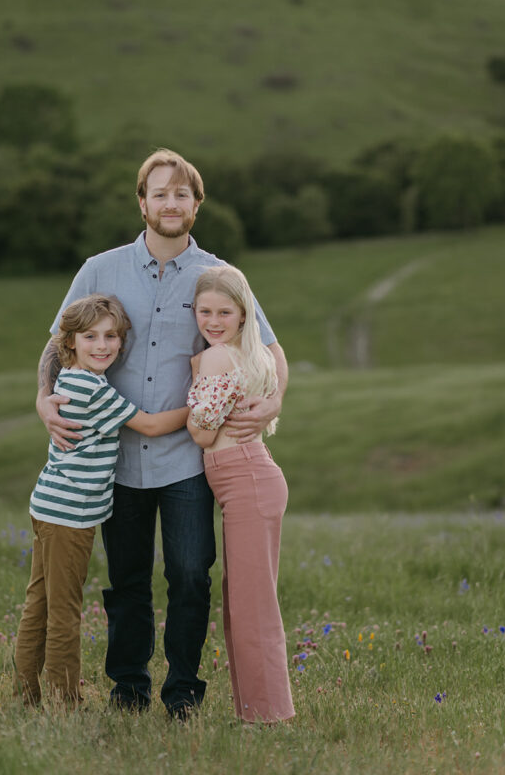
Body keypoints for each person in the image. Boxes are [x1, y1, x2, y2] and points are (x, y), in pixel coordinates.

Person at [36, 148, 288, 718]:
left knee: (191, 577)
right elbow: (58, 344)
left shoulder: (219, 276)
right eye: (159, 193)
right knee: (126, 581)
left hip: (186, 463)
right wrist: (42, 401)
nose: (169, 203)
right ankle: (128, 688)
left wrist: (272, 397)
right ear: (142, 202)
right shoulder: (99, 269)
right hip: (114, 460)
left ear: (196, 204)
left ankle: (182, 694)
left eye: (181, 194)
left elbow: (270, 348)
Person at [15, 293, 189, 706]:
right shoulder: (91, 387)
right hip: (69, 519)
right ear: (70, 341)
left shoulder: (72, 380)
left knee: (38, 602)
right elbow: (146, 425)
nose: (103, 345)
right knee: (62, 611)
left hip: (49, 507)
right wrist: (196, 407)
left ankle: (26, 695)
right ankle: (64, 702)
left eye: (111, 336)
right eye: (90, 336)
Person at [187, 265, 295, 724]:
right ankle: (256, 710)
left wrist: (193, 379)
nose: (212, 320)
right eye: (204, 310)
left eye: (224, 312)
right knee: (248, 600)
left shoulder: (215, 359)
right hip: (256, 477)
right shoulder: (251, 356)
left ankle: (268, 715)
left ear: (244, 314)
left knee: (251, 606)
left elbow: (201, 435)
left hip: (246, 479)